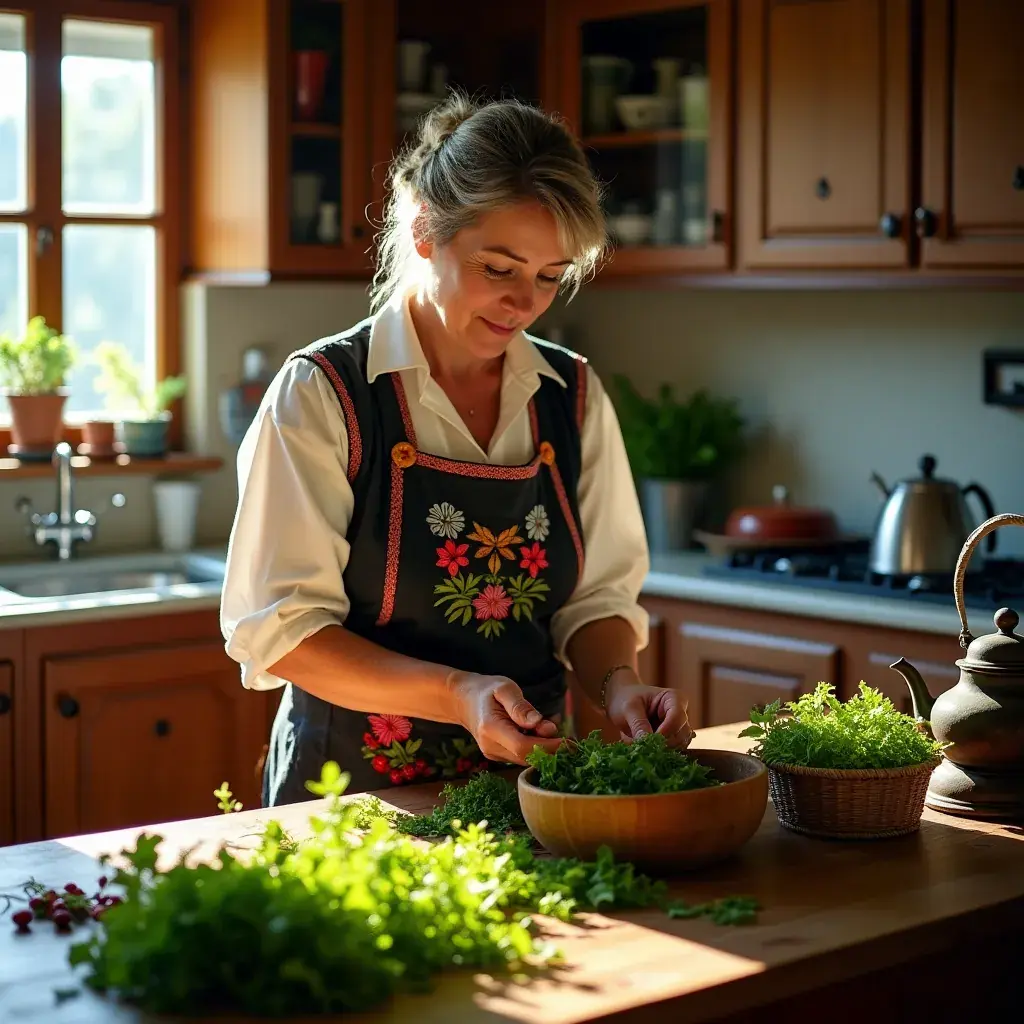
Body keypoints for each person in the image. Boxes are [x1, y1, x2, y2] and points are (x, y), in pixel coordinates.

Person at [220, 93, 693, 807]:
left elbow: (595, 599)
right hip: (352, 801)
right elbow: (283, 632)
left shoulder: (571, 395)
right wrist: (457, 694)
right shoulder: (323, 393)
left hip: (531, 793)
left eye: (550, 276)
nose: (524, 304)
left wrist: (619, 686)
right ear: (424, 231)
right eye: (498, 269)